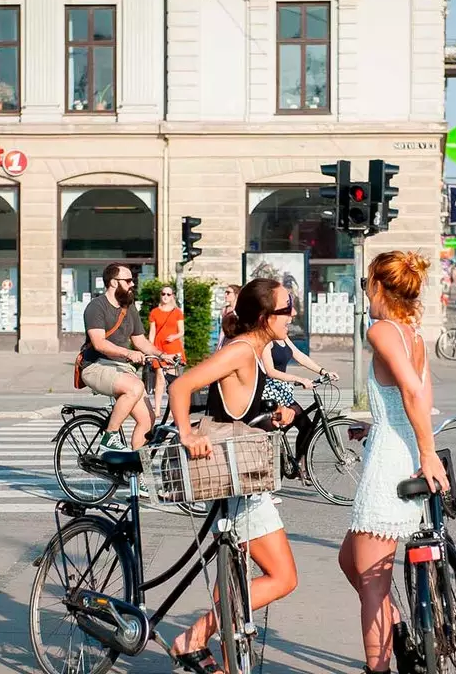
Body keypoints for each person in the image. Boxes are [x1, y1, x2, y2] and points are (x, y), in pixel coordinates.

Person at [167, 278, 300, 674]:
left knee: (240, 574)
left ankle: (210, 651)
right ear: (263, 318)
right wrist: (187, 435)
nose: (292, 315)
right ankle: (194, 637)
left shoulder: (257, 352)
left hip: (246, 475)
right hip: (235, 480)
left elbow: (240, 411)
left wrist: (279, 416)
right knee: (282, 577)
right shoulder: (242, 351)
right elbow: (181, 385)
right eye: (285, 309)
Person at [338, 251, 449, 674]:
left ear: (379, 287)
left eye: (368, 282)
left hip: (392, 461)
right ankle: (401, 633)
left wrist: (426, 452)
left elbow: (412, 393)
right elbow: (421, 396)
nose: (366, 289)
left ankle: (381, 666)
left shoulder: (382, 330)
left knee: (370, 583)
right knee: (351, 561)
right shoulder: (412, 333)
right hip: (397, 445)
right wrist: (386, 429)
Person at [77, 264, 172, 451]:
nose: (132, 285)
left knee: (148, 421)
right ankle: (109, 436)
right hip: (95, 365)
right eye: (128, 281)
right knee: (135, 387)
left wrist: (162, 355)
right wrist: (128, 353)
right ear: (113, 282)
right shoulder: (96, 307)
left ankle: (134, 474)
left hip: (122, 369)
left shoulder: (129, 307)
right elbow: (99, 343)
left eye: (132, 281)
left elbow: (140, 341)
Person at [260, 331, 338, 482]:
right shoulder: (266, 339)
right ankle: (271, 481)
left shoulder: (283, 336)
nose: (289, 321)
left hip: (282, 391)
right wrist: (299, 379)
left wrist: (323, 371)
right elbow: (270, 371)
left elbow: (299, 356)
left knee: (307, 426)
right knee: (274, 435)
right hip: (269, 392)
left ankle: (299, 464)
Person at [147, 285, 186, 420]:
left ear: (173, 296)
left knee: (172, 381)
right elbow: (152, 332)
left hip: (173, 348)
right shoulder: (154, 312)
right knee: (159, 379)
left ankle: (171, 408)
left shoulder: (177, 312)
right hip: (159, 348)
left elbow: (181, 331)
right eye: (163, 294)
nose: (165, 296)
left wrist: (174, 337)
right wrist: (150, 349)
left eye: (169, 294)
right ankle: (157, 409)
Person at [215, 284, 240, 351]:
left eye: (228, 293)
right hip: (226, 340)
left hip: (237, 340)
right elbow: (222, 331)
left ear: (236, 295)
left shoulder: (240, 310)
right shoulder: (224, 310)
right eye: (225, 292)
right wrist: (218, 346)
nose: (225, 295)